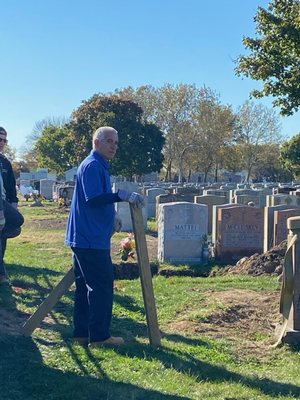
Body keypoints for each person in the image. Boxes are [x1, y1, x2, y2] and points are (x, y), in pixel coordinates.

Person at [65, 126, 145, 347]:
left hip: (86, 236)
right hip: (90, 239)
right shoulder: (92, 165)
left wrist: (111, 217)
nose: (114, 146)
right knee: (101, 286)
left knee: (84, 287)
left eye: (116, 143)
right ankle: (100, 337)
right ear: (96, 142)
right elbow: (93, 198)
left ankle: (82, 333)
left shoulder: (99, 165)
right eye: (109, 141)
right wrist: (120, 195)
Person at [0, 127, 24, 284]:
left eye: (4, 140)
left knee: (6, 234)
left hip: (5, 204)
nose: (2, 143)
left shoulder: (5, 162)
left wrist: (13, 205)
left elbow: (10, 187)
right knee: (17, 221)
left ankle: (1, 271)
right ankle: (1, 273)